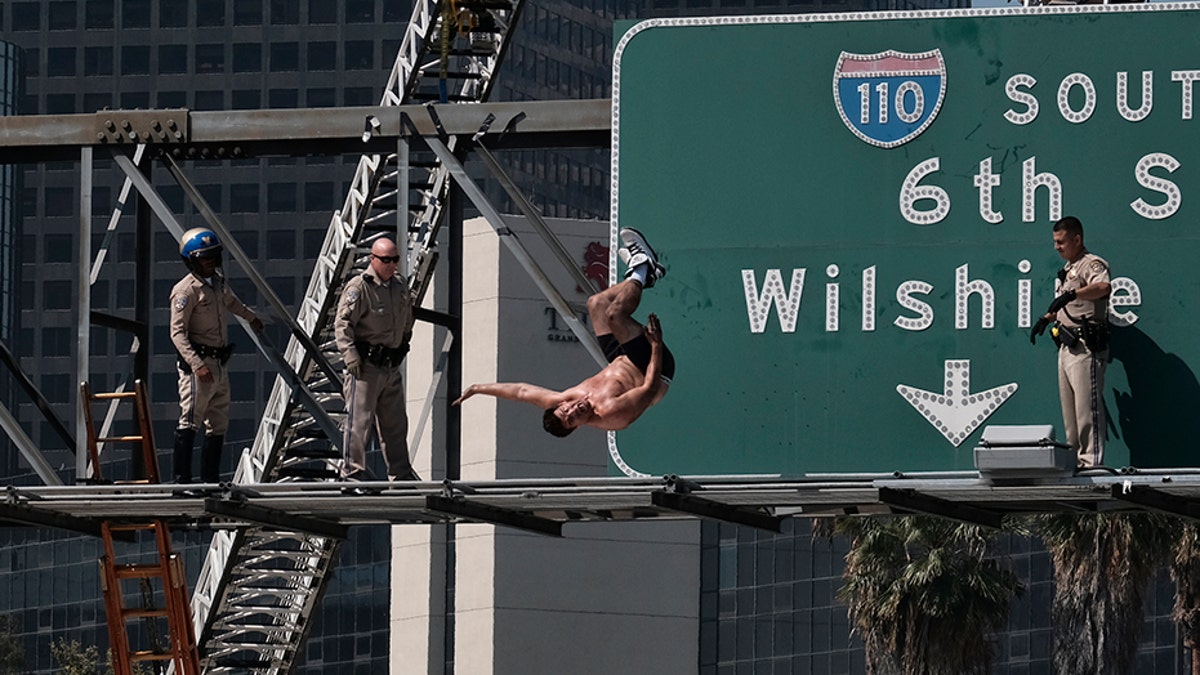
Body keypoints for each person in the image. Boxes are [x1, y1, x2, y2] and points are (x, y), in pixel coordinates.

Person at [454, 228, 675, 436]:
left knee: (596, 304)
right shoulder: (611, 414)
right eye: (571, 420)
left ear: (561, 405)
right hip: (651, 368)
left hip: (620, 359)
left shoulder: (565, 397)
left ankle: (646, 275)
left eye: (565, 411)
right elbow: (649, 389)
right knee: (614, 316)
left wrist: (477, 388)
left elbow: (521, 392)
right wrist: (656, 346)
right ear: (577, 427)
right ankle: (641, 266)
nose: (572, 411)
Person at [170, 227, 263, 485]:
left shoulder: (218, 283)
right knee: (190, 420)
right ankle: (182, 481)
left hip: (220, 362)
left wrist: (252, 317)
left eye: (213, 256)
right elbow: (177, 334)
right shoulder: (186, 291)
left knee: (218, 422)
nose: (210, 262)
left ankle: (210, 481)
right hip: (199, 364)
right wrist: (197, 364)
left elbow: (232, 303)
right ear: (192, 260)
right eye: (204, 257)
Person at [335, 237, 419, 482]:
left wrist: (404, 342)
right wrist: (351, 357)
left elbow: (406, 318)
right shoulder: (360, 287)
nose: (392, 264)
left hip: (391, 365)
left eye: (395, 259)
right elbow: (342, 325)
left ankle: (401, 475)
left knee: (396, 425)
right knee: (358, 423)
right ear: (373, 259)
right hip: (366, 367)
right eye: (386, 260)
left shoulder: (399, 286)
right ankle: (351, 474)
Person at [1030, 216, 1111, 468]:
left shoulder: (1091, 264)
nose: (1057, 247)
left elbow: (1103, 287)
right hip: (1066, 345)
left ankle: (1091, 461)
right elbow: (1068, 305)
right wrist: (1046, 318)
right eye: (1055, 242)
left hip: (1086, 345)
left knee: (1087, 409)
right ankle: (1075, 460)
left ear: (1077, 239)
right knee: (1071, 413)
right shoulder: (1067, 270)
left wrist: (1074, 293)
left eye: (1061, 241)